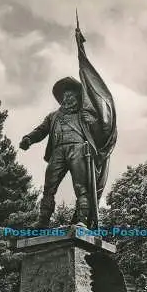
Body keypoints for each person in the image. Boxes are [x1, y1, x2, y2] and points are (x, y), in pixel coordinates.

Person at [19, 76, 97, 227]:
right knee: (49, 187)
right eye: (65, 96)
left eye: (72, 96)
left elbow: (99, 132)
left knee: (81, 187)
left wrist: (93, 122)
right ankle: (43, 221)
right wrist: (29, 138)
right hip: (58, 152)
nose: (68, 99)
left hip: (78, 149)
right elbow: (41, 130)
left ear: (78, 97)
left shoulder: (84, 114)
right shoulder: (53, 116)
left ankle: (82, 220)